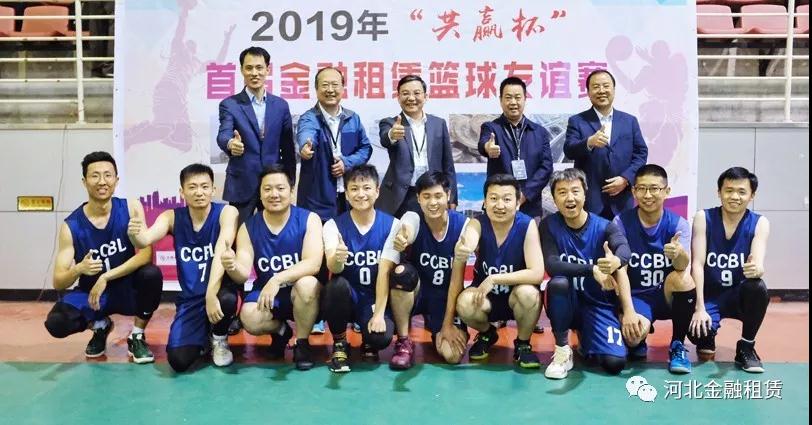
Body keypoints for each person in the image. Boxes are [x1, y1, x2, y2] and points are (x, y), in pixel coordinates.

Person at [44, 152, 163, 364]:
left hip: (126, 289)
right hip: (94, 295)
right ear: (84, 182)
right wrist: (79, 269)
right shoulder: (71, 226)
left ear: (116, 180)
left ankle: (137, 335)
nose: (102, 181)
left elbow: (146, 255)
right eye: (95, 175)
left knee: (151, 275)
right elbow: (58, 281)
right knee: (57, 323)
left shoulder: (130, 208)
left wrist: (106, 277)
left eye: (108, 175)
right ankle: (100, 326)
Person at [127, 164, 240, 372]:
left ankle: (219, 337)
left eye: (205, 186)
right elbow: (145, 239)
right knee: (178, 360)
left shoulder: (227, 213)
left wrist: (211, 294)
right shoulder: (171, 217)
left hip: (217, 292)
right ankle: (204, 338)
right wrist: (135, 233)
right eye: (192, 187)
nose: (199, 192)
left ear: (213, 190)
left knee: (227, 299)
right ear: (182, 192)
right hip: (190, 300)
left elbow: (219, 251)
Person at [221, 165, 323, 371]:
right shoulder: (248, 227)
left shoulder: (309, 219)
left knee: (307, 284)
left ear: (291, 191)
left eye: (280, 188)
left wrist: (277, 279)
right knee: (249, 317)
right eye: (267, 189)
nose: (274, 194)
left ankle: (302, 343)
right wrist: (232, 266)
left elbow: (313, 263)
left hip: (301, 293)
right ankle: (281, 331)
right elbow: (242, 274)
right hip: (268, 294)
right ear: (260, 193)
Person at [541, 168, 637, 379]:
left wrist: (616, 261)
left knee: (614, 364)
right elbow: (552, 265)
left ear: (585, 194)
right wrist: (592, 269)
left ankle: (585, 336)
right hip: (566, 301)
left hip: (598, 303)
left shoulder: (604, 226)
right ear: (554, 199)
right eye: (562, 192)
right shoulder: (549, 225)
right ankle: (562, 350)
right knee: (557, 283)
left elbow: (624, 249)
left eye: (575, 191)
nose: (570, 198)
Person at [453, 174, 545, 369]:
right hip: (486, 298)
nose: (500, 205)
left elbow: (537, 273)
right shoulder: (477, 223)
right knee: (464, 303)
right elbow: (470, 238)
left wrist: (495, 278)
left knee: (529, 294)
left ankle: (523, 343)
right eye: (493, 198)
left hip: (516, 296)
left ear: (517, 203)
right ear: (485, 202)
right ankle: (487, 333)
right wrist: (465, 247)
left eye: (507, 199)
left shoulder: (527, 225)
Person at [380, 172, 470, 369]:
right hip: (417, 292)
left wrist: (447, 325)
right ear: (418, 198)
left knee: (452, 356)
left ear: (448, 195)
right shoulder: (414, 217)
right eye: (426, 196)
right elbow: (408, 226)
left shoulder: (462, 225)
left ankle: (436, 326)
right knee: (402, 273)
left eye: (438, 196)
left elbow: (457, 280)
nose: (433, 203)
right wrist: (404, 237)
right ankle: (404, 341)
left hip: (445, 297)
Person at [613, 164, 696, 374]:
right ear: (633, 192)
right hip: (637, 296)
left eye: (654, 189)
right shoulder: (621, 222)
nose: (648, 195)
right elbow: (620, 269)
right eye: (641, 189)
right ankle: (640, 329)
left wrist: (678, 254)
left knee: (685, 280)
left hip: (665, 294)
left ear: (667, 191)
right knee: (632, 339)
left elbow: (682, 267)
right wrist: (628, 312)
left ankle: (678, 345)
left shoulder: (679, 224)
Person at [689, 167, 770, 373]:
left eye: (742, 192)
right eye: (729, 190)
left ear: (752, 195)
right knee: (698, 334)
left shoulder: (760, 223)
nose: (734, 196)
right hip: (710, 295)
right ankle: (708, 335)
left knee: (758, 287)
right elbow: (697, 264)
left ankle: (746, 347)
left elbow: (758, 262)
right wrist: (699, 308)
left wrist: (756, 269)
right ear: (719, 192)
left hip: (738, 295)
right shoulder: (703, 217)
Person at [321, 165, 399, 373]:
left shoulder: (393, 225)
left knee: (381, 338)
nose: (361, 194)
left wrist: (379, 314)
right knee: (336, 286)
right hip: (347, 296)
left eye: (366, 188)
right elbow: (332, 266)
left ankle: (368, 340)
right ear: (346, 194)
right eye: (354, 189)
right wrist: (337, 258)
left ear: (377, 191)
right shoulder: (333, 225)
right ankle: (339, 342)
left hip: (374, 298)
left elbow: (385, 271)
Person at [217, 46, 296, 224]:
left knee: (274, 231)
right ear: (241, 70)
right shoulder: (230, 104)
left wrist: (289, 181)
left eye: (259, 68)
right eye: (249, 68)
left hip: (273, 183)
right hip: (242, 182)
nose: (254, 73)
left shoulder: (281, 105)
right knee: (238, 232)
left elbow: (288, 149)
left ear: (268, 69)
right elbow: (223, 134)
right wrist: (230, 144)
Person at [563, 70, 648, 220]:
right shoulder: (577, 121)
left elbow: (641, 154)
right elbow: (569, 150)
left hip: (622, 200)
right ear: (588, 92)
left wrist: (625, 179)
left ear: (613, 90)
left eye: (606, 86)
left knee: (622, 235)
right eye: (596, 87)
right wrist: (589, 142)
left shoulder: (629, 121)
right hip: (591, 200)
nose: (601, 91)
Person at [296, 66, 372, 221]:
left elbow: (365, 148)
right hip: (317, 201)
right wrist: (305, 146)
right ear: (316, 89)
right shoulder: (309, 118)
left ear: (343, 88)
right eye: (325, 85)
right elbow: (306, 132)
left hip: (351, 198)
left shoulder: (353, 118)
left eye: (335, 85)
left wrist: (347, 162)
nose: (330, 90)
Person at [376, 75, 458, 217]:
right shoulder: (390, 123)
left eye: (416, 93)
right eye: (405, 93)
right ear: (398, 97)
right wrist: (392, 135)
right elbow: (385, 139)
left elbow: (448, 165)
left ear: (426, 97)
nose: (411, 98)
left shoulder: (439, 124)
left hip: (432, 193)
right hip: (401, 196)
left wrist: (452, 197)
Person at [478, 77, 553, 218]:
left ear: (525, 99)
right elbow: (484, 144)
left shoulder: (539, 132)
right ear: (501, 100)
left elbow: (546, 168)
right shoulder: (491, 128)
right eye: (508, 98)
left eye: (517, 97)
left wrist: (524, 195)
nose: (513, 102)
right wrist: (488, 148)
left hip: (531, 205)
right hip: (499, 205)